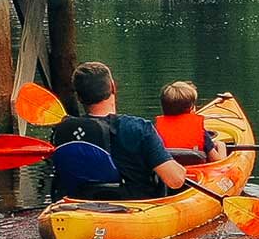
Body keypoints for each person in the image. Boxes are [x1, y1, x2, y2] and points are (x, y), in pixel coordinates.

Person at [50, 61, 191, 201]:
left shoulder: (65, 132)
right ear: (113, 87)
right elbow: (175, 180)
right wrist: (181, 171)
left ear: (79, 97)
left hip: (81, 204)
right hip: (135, 208)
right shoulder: (139, 128)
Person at [153, 80, 225, 165]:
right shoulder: (200, 132)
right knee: (220, 145)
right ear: (191, 108)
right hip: (198, 172)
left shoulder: (154, 131)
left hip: (168, 172)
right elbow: (217, 161)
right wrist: (221, 146)